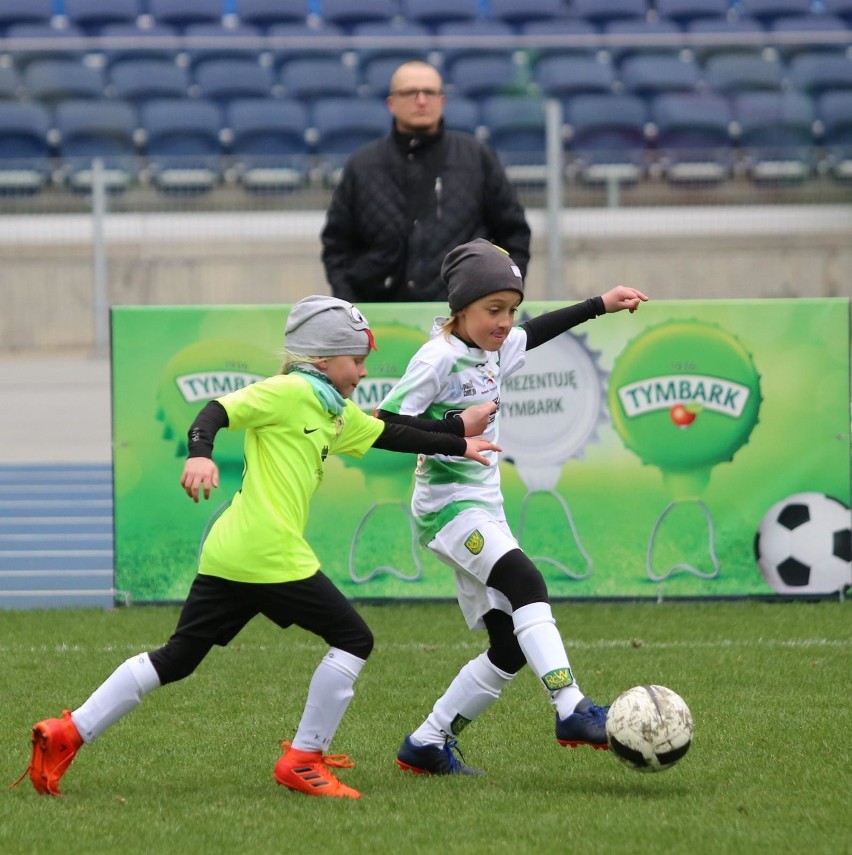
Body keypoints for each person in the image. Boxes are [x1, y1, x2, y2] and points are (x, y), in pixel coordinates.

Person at [12, 296, 501, 801]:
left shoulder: (334, 411)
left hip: (233, 551)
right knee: (354, 639)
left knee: (178, 658)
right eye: (356, 360)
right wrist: (200, 455)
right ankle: (304, 760)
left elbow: (391, 432)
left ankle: (67, 731)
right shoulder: (290, 391)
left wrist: (456, 437)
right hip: (267, 553)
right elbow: (215, 410)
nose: (362, 371)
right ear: (321, 360)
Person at [377, 239, 649, 775]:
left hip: (484, 509)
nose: (505, 323)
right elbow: (381, 428)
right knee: (527, 583)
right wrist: (457, 433)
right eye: (492, 310)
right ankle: (570, 708)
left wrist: (600, 303)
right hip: (449, 510)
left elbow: (538, 331)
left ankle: (427, 743)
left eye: (511, 310)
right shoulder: (437, 357)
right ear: (460, 309)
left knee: (509, 648)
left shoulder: (497, 346)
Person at [320, 59, 531, 304]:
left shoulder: (477, 158)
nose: (421, 100)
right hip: (379, 317)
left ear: (442, 101)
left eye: (429, 92)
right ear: (391, 103)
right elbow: (336, 246)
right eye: (410, 92)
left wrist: (502, 296)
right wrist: (350, 306)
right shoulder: (362, 164)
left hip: (459, 318)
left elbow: (514, 234)